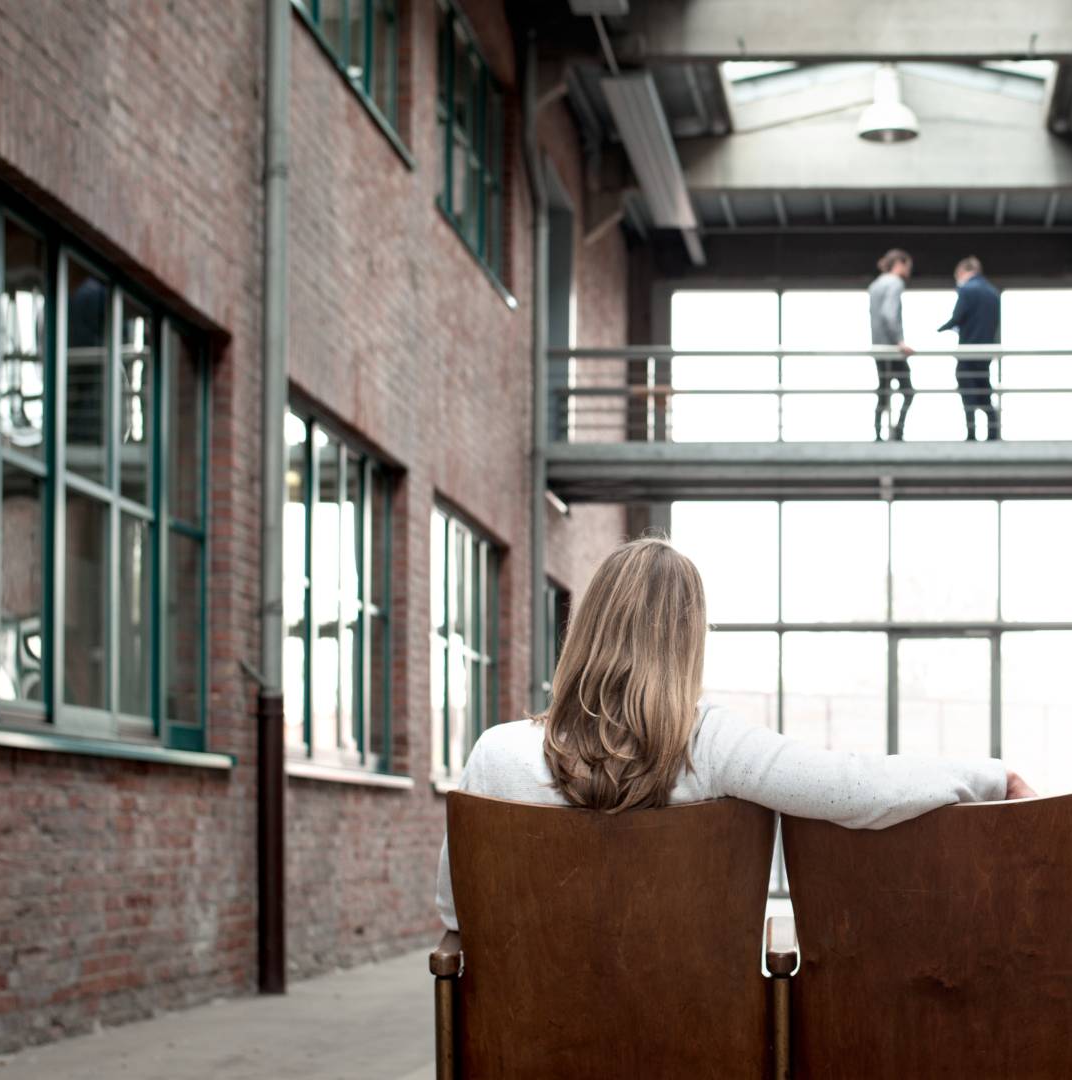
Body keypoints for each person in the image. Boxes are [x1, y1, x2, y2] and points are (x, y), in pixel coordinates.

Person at [436, 538, 1035, 930]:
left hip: (529, 1045)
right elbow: (853, 786)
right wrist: (990, 777)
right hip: (695, 1040)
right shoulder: (708, 747)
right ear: (687, 640)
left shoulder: (497, 754)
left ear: (586, 627)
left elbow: (455, 912)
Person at [938, 256, 1001, 441]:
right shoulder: (993, 292)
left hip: (968, 351)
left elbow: (958, 317)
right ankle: (993, 433)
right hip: (985, 352)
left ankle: (971, 434)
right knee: (984, 392)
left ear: (963, 271)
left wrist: (940, 329)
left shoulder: (966, 290)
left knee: (967, 393)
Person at [868, 248, 915, 441]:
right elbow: (889, 313)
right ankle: (898, 430)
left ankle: (878, 433)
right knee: (908, 392)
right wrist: (900, 342)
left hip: (878, 348)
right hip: (892, 349)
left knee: (883, 391)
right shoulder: (895, 283)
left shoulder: (876, 284)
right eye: (908, 266)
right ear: (900, 264)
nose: (909, 271)